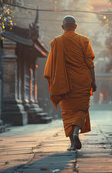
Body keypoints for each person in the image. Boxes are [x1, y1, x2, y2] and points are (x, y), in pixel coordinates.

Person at [44, 15, 97, 151]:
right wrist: (93, 81)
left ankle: (73, 143)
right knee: (81, 109)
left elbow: (52, 66)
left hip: (64, 82)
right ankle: (76, 132)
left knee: (68, 112)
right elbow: (90, 63)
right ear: (75, 26)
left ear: (62, 27)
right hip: (82, 81)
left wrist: (54, 82)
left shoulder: (56, 42)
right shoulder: (84, 40)